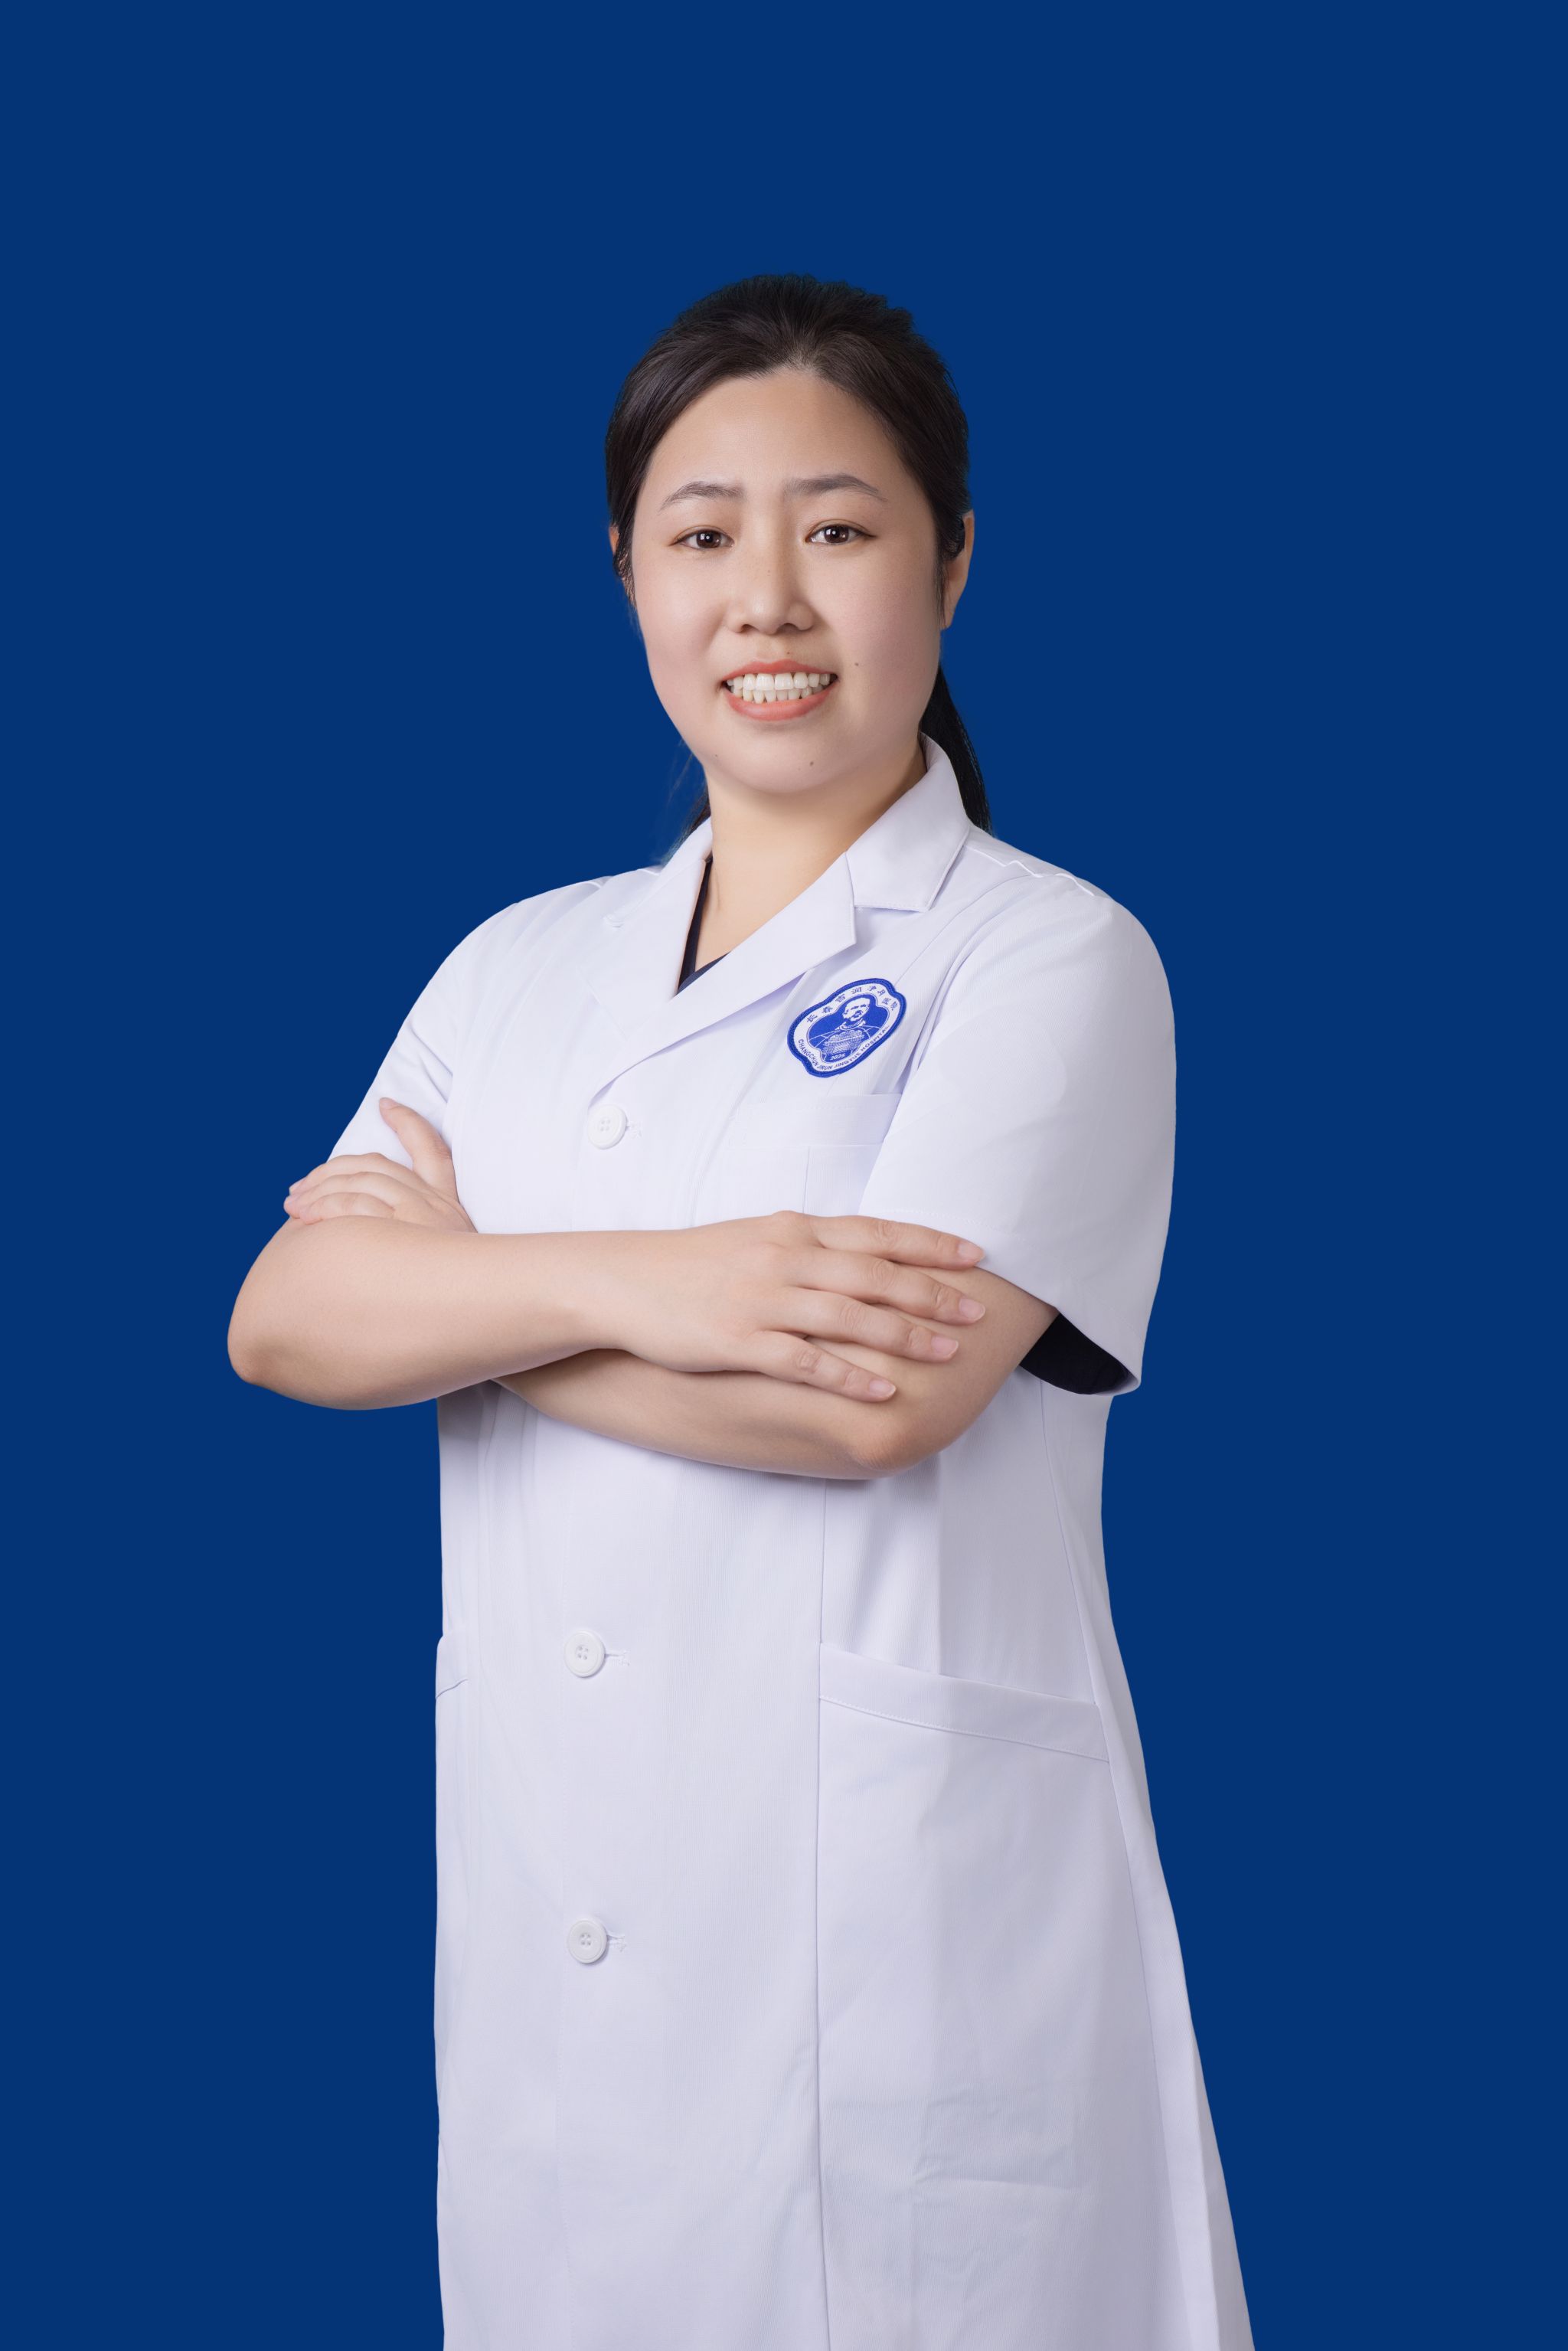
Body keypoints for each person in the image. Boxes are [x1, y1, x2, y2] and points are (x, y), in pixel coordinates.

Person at [228, 273, 1254, 2351]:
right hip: (558, 1961)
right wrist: (669, 1282)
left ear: (951, 562)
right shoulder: (517, 967)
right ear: (627, 572)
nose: (765, 600)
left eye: (840, 528)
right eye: (701, 535)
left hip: (902, 1964)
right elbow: (287, 1318)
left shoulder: (1049, 959)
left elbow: (876, 1400)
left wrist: (461, 1298)